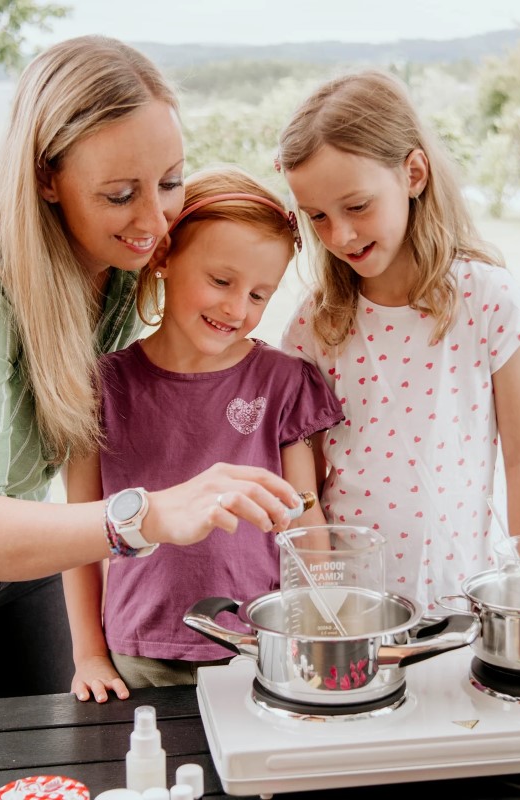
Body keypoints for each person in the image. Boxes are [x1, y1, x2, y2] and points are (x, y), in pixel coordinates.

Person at [0, 37, 302, 706]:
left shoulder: (122, 258)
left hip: (24, 533)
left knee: (50, 761)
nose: (153, 221)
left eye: (169, 181)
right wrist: (148, 513)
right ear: (46, 179)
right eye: (118, 194)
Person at [63, 165, 343, 701]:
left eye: (260, 295)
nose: (237, 309)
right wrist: (89, 655)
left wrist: (323, 625)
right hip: (135, 654)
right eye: (221, 281)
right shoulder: (101, 386)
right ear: (164, 255)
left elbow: (306, 520)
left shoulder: (282, 383)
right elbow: (78, 533)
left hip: (262, 649)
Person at [277, 70, 520, 610]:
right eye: (318, 218)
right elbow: (301, 474)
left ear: (414, 173)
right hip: (351, 601)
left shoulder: (488, 298)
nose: (340, 236)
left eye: (356, 206)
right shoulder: (315, 325)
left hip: (459, 591)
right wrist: (325, 583)